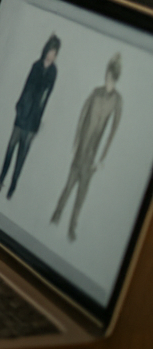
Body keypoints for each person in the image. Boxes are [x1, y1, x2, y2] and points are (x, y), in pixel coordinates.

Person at [52, 55, 124, 241]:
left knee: (81, 195)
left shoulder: (117, 101)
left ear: (115, 78)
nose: (109, 80)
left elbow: (113, 131)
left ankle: (72, 228)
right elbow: (82, 116)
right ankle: (56, 215)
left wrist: (103, 158)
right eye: (108, 76)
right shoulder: (95, 93)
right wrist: (75, 143)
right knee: (68, 187)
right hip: (81, 152)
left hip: (93, 158)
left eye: (112, 77)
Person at [0, 34, 60, 198]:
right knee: (11, 146)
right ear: (46, 50)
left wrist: (39, 120)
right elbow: (25, 88)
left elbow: (47, 98)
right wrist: (19, 107)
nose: (51, 55)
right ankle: (1, 177)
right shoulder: (36, 66)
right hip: (23, 112)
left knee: (22, 153)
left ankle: (13, 185)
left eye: (54, 52)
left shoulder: (53, 72)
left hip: (34, 118)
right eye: (50, 51)